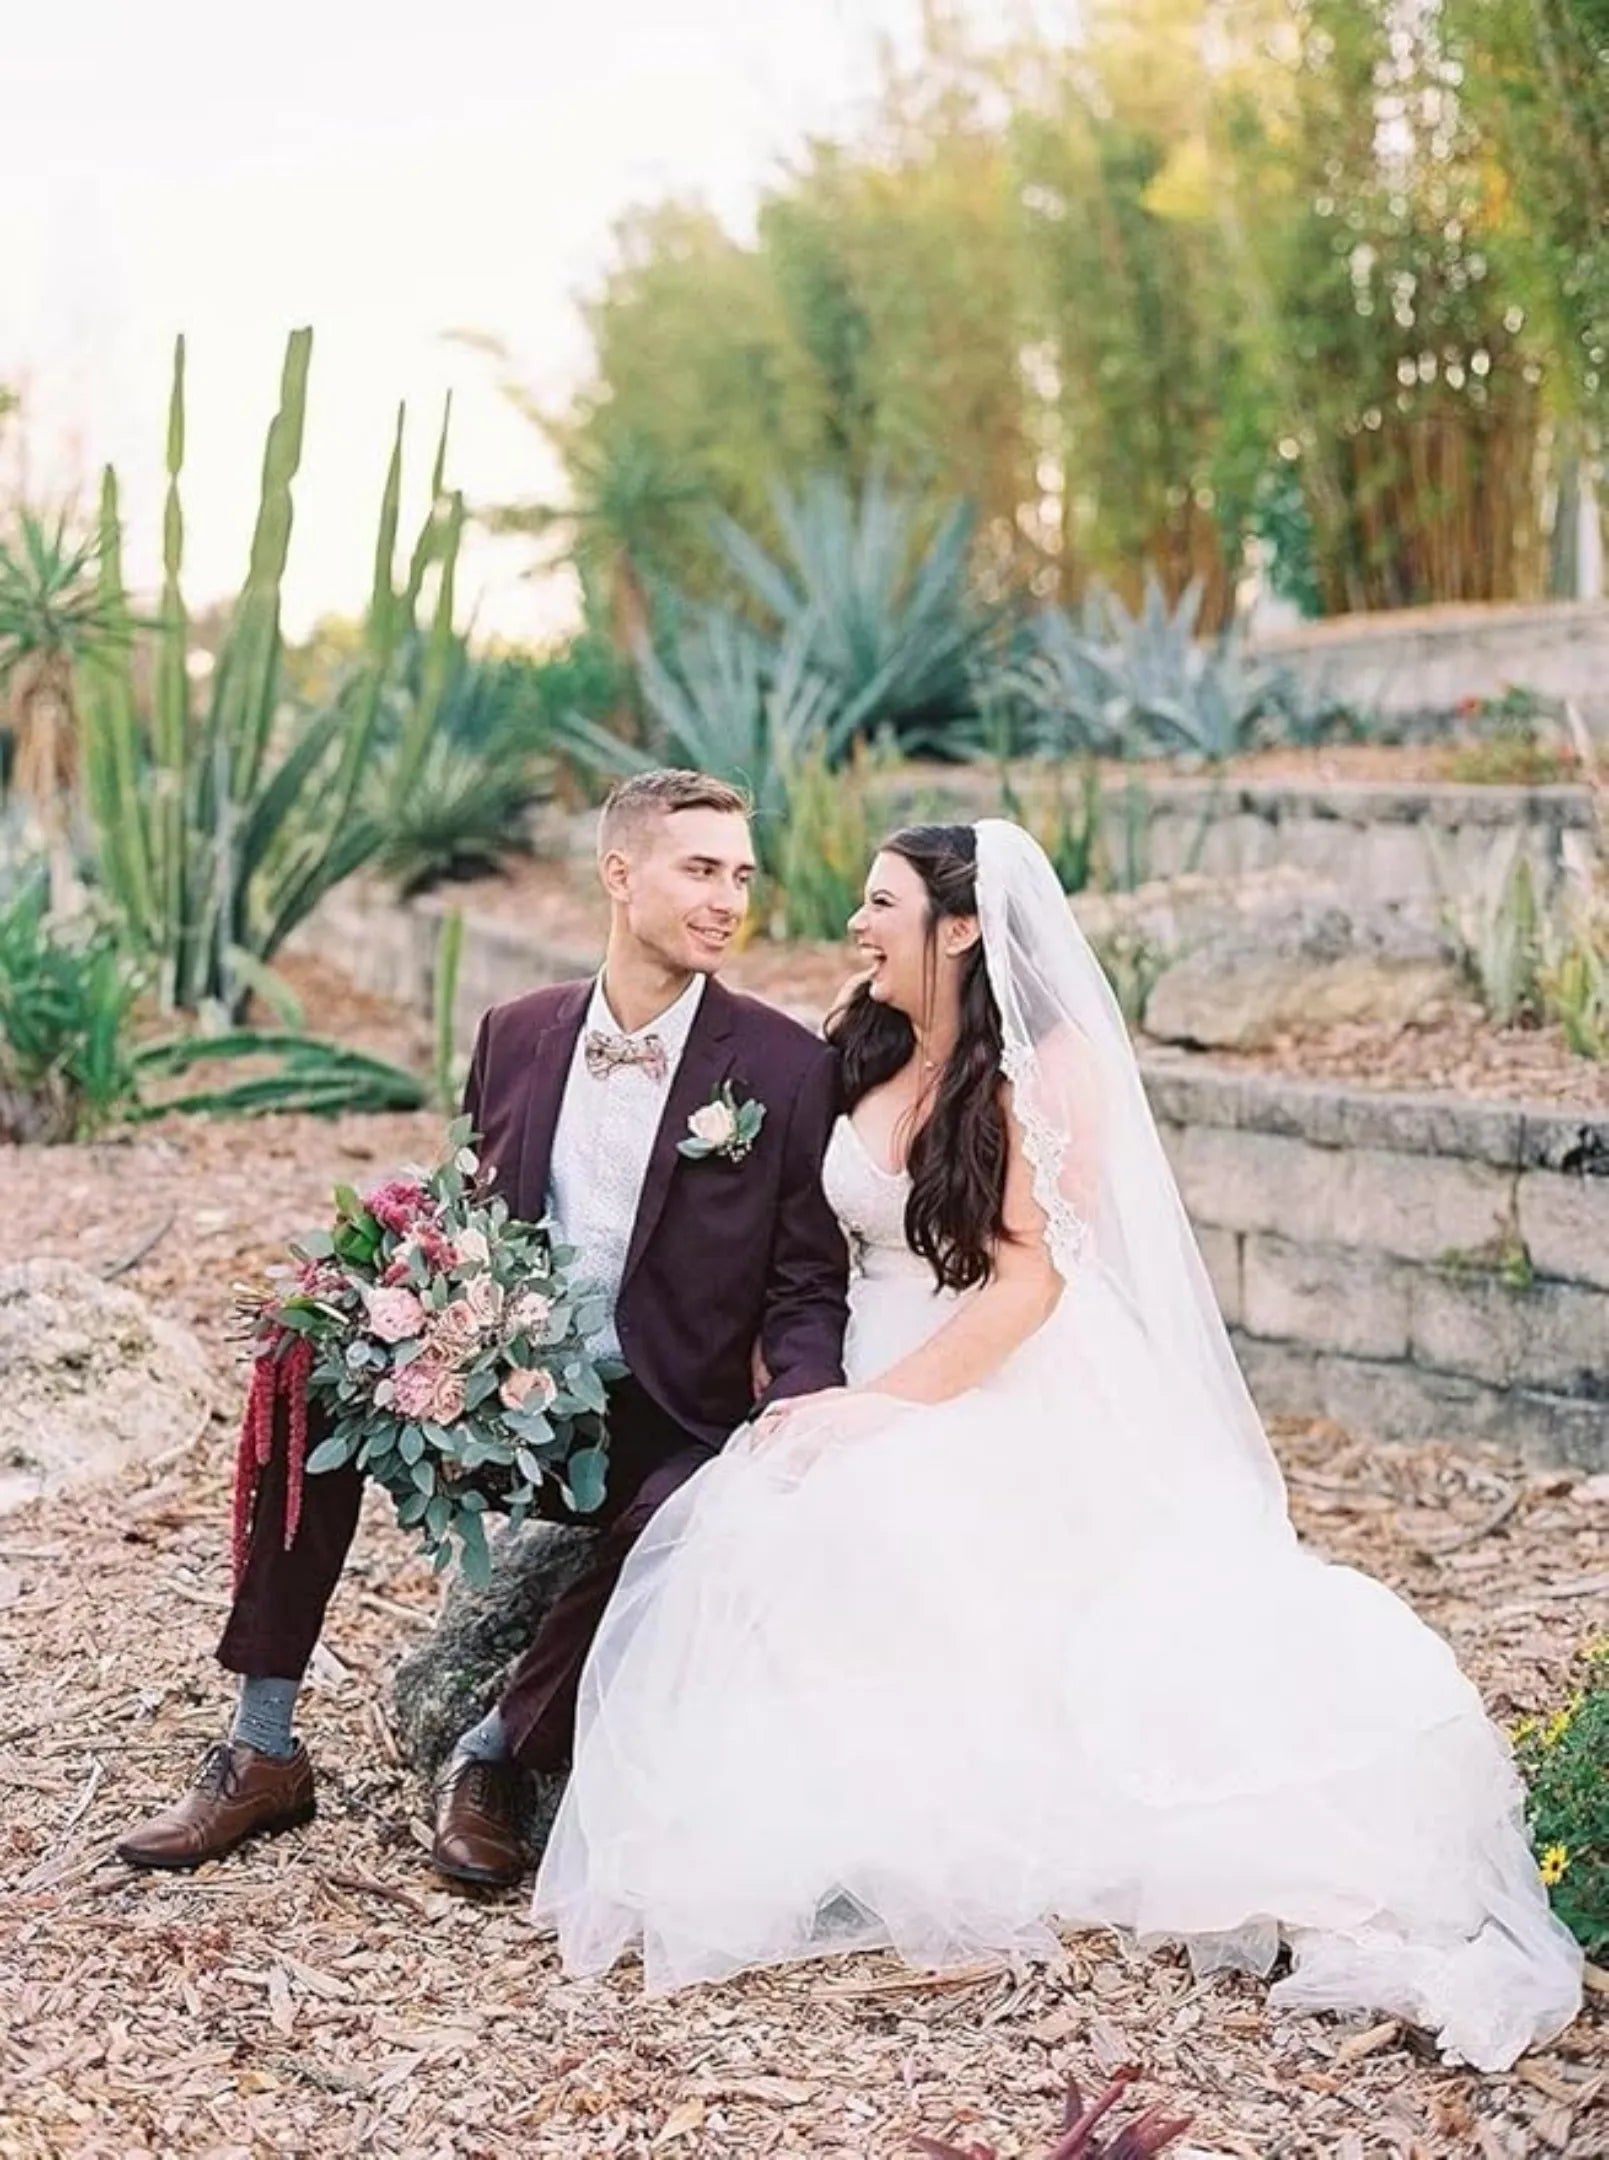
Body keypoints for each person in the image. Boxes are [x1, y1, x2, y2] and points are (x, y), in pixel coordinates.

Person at [532, 819, 1583, 2073]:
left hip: (989, 1372)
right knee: (763, 1521)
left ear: (961, 927)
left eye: (882, 904)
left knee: (882, 1535)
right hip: (852, 1354)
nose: (857, 924)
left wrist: (889, 1409)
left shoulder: (1044, 1066)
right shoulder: (863, 1036)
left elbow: (1028, 1281)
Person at [116, 770, 849, 1887]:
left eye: (740, 876)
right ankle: (263, 1747)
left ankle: (495, 1753)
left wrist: (800, 1403)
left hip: (662, 1408)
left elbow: (806, 1279)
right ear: (619, 873)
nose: (726, 900)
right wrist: (389, 1302)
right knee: (301, 1358)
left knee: (695, 1504)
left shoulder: (787, 1068)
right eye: (700, 869)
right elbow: (469, 1212)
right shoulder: (515, 1033)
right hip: (499, 1390)